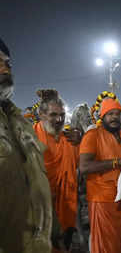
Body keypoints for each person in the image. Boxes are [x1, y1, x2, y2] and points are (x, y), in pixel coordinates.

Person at [0, 38, 53, 252]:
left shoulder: (20, 122)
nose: (4, 67)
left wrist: (53, 230)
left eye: (7, 62)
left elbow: (36, 181)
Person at [79, 98, 121, 253]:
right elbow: (84, 167)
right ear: (103, 116)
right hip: (102, 199)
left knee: (119, 243)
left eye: (117, 114)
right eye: (110, 114)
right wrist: (117, 162)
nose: (114, 117)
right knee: (104, 245)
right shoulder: (92, 135)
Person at [33, 89, 81, 252]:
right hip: (38, 210)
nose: (59, 119)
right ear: (41, 114)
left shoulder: (70, 139)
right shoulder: (29, 136)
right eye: (53, 115)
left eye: (61, 114)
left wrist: (80, 139)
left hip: (65, 209)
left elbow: (83, 164)